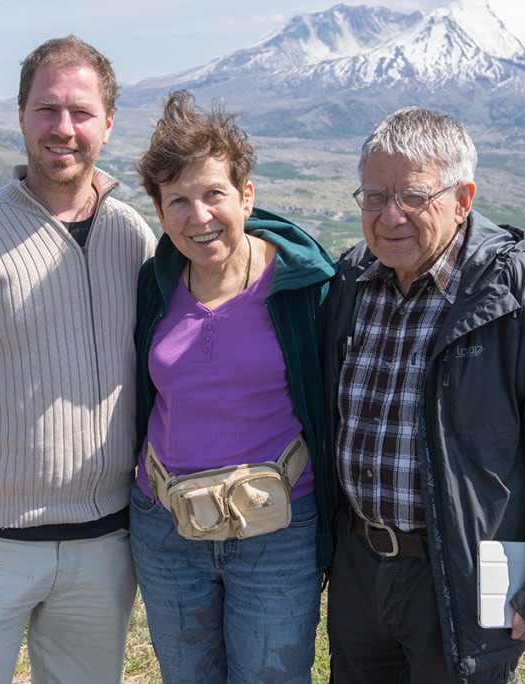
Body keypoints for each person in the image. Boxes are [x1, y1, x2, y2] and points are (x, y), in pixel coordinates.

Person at [0, 35, 156, 684]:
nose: (63, 129)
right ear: (19, 117)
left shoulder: (133, 235)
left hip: (106, 542)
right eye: (46, 109)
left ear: (109, 123)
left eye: (80, 112)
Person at [323, 106, 525, 682]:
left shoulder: (511, 292)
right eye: (374, 196)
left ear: (463, 200)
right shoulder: (352, 281)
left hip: (459, 569)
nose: (391, 215)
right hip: (360, 566)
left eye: (414, 196)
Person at [130, 90, 336, 683]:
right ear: (158, 208)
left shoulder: (302, 286)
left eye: (214, 194)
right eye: (178, 201)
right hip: (167, 526)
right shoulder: (156, 282)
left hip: (276, 527)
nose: (199, 217)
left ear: (246, 196)